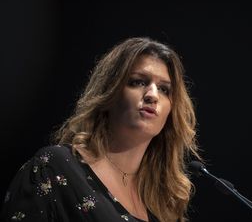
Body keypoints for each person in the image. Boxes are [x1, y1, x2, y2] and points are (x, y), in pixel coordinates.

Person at [1, 37, 202, 222]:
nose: (152, 95)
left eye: (164, 89)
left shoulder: (164, 203)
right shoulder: (54, 167)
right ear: (109, 93)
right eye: (138, 82)